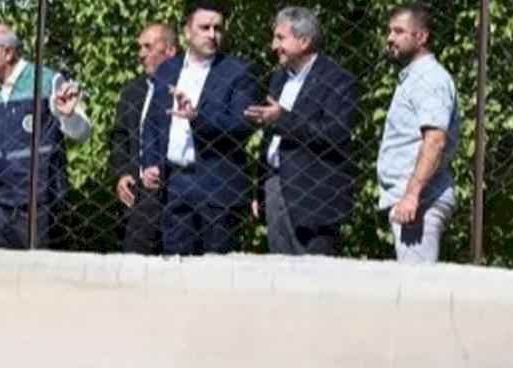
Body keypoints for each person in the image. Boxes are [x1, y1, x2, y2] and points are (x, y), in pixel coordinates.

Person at [0, 22, 92, 250]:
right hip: (1, 206)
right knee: (3, 277)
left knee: (42, 278)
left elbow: (83, 132)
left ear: (7, 52)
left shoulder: (47, 81)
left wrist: (68, 117)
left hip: (43, 204)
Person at [141, 0, 258, 256]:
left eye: (218, 28)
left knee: (217, 275)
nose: (212, 35)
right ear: (187, 31)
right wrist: (149, 162)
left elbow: (241, 125)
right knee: (174, 268)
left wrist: (197, 117)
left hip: (218, 187)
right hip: (174, 184)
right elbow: (152, 122)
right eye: (204, 27)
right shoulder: (167, 70)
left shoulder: (238, 72)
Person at [244, 6, 358, 256]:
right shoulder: (279, 79)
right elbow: (268, 140)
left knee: (315, 278)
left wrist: (283, 119)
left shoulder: (338, 79)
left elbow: (336, 133)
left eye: (280, 38)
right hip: (275, 188)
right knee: (281, 275)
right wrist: (260, 191)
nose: (274, 46)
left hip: (314, 197)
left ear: (304, 41)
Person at [376, 3, 460, 263]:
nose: (390, 38)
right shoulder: (414, 77)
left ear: (421, 37)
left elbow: (435, 140)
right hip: (412, 202)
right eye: (390, 31)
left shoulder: (429, 78)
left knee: (418, 291)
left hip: (420, 203)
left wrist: (412, 195)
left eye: (399, 31)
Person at [109, 23, 178, 254]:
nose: (141, 54)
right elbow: (120, 137)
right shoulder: (132, 91)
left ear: (170, 51)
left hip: (176, 193)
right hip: (139, 196)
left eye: (148, 47)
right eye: (140, 47)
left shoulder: (186, 87)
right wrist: (123, 173)